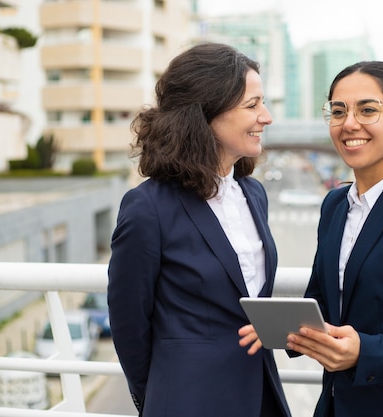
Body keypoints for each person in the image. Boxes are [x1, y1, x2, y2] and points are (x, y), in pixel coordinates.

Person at [240, 61, 383, 417]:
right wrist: (282, 329)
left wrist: (364, 352)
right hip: (338, 406)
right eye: (338, 111)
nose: (350, 123)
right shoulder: (335, 204)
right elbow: (322, 301)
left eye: (368, 110)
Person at [108, 42, 291, 417]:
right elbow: (128, 324)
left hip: (261, 396)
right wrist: (160, 398)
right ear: (206, 113)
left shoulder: (254, 195)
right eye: (252, 105)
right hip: (188, 401)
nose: (267, 117)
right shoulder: (148, 208)